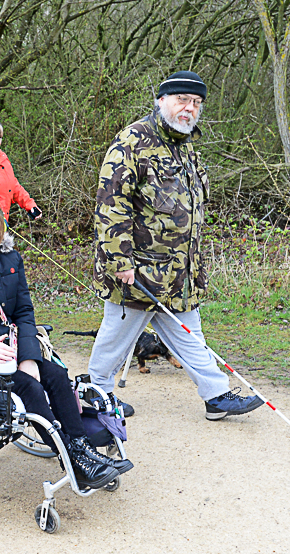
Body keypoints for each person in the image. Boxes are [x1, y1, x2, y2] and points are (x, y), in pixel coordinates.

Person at [0, 184, 131, 489]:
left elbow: (24, 312)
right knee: (31, 389)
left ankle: (82, 450)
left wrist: (30, 357)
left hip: (13, 349)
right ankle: (73, 461)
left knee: (57, 376)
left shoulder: (10, 258)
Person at [89, 70, 262, 421]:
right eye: (182, 100)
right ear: (162, 101)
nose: (189, 109)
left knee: (189, 333)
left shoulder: (186, 147)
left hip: (179, 271)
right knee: (116, 337)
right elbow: (111, 205)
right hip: (137, 269)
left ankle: (216, 396)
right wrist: (120, 261)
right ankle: (97, 393)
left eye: (196, 103)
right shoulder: (132, 141)